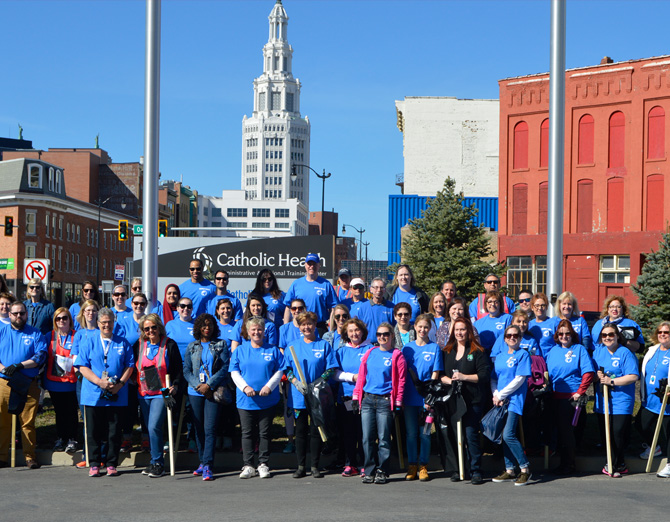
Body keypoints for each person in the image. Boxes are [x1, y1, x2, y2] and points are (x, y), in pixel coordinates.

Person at [75, 308, 134, 477]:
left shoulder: (123, 343)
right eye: (103, 323)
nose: (106, 325)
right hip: (93, 393)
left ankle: (111, 463)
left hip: (116, 393)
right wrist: (99, 381)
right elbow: (82, 366)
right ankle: (94, 463)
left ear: (114, 323)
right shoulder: (89, 341)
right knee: (94, 430)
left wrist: (120, 384)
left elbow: (129, 365)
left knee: (114, 430)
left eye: (109, 322)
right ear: (98, 324)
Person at [284, 311, 338, 478]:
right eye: (303, 324)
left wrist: (317, 383)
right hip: (299, 395)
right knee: (300, 431)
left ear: (315, 325)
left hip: (317, 396)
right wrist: (295, 382)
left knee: (316, 430)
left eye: (310, 324)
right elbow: (287, 369)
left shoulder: (324, 345)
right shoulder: (292, 346)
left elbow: (331, 369)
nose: (306, 327)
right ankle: (300, 466)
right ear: (299, 327)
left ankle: (315, 465)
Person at [352, 322, 407, 484]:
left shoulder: (397, 355)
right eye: (379, 334)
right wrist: (356, 397)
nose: (382, 337)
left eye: (385, 334)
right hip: (368, 399)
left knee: (383, 438)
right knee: (367, 437)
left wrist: (398, 402)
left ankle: (382, 470)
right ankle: (369, 469)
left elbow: (401, 380)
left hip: (385, 401)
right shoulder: (370, 352)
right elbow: (361, 377)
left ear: (391, 336)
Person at [230, 317, 284, 479]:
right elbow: (234, 371)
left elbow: (280, 370)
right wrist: (245, 387)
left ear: (264, 331)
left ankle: (263, 464)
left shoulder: (273, 350)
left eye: (259, 329)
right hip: (246, 400)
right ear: (247, 332)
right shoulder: (240, 350)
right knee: (247, 433)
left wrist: (269, 386)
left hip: (267, 399)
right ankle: (248, 465)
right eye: (253, 329)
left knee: (264, 433)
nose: (257, 332)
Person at [440, 317, 490, 485]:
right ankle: (459, 468)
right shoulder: (448, 350)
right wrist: (450, 380)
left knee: (470, 434)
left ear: (469, 331)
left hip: (473, 400)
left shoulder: (477, 350)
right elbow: (441, 375)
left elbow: (484, 375)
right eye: (457, 330)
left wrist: (464, 377)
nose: (459, 333)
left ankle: (476, 470)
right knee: (456, 435)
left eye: (462, 329)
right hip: (453, 400)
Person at [134, 314, 183, 478]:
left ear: (159, 327)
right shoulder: (139, 345)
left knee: (155, 426)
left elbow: (177, 368)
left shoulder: (169, 344)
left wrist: (175, 385)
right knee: (150, 428)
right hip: (144, 393)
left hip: (162, 393)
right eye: (146, 329)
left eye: (153, 327)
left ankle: (158, 463)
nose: (150, 331)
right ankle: (154, 460)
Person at [183, 313, 230, 481]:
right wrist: (199, 386)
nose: (207, 328)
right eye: (203, 325)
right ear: (198, 328)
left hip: (213, 391)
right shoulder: (192, 346)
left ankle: (209, 465)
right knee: (198, 428)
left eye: (210, 325)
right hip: (195, 391)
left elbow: (224, 368)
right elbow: (186, 370)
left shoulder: (221, 344)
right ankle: (202, 462)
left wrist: (208, 385)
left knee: (210, 428)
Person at [0, 301, 47, 469]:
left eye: (21, 313)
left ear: (26, 314)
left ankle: (30, 457)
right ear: (9, 315)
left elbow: (40, 356)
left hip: (28, 382)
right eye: (15, 313)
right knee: (3, 421)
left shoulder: (36, 334)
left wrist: (20, 365)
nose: (18, 316)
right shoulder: (2, 332)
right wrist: (5, 369)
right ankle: (2, 456)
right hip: (5, 382)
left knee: (27, 422)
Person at [545, 319, 594, 475]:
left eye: (567, 333)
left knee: (568, 433)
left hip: (572, 398)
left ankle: (569, 464)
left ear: (572, 334)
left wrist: (580, 392)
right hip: (555, 397)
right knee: (559, 432)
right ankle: (562, 463)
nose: (564, 336)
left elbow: (588, 373)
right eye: (561, 333)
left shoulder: (579, 349)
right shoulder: (552, 351)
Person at [593, 323, 639, 477]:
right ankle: (619, 464)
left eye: (611, 334)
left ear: (617, 336)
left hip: (621, 400)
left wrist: (611, 381)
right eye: (604, 335)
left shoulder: (625, 353)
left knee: (617, 432)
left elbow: (633, 376)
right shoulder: (598, 352)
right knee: (606, 434)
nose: (607, 338)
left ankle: (613, 464)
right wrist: (597, 376)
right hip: (603, 401)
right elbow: (591, 373)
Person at [402, 313, 443, 482]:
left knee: (425, 433)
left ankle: (424, 466)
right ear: (415, 327)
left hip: (426, 398)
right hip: (409, 397)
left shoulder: (435, 348)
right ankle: (412, 465)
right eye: (420, 326)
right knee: (411, 434)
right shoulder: (407, 348)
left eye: (426, 327)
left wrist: (430, 397)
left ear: (430, 329)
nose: (423, 330)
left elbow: (435, 372)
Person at [491, 324, 532, 486]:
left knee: (509, 434)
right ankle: (509, 470)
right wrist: (495, 394)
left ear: (520, 338)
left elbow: (520, 378)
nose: (512, 338)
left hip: (514, 400)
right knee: (503, 436)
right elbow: (494, 378)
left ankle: (525, 468)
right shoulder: (500, 356)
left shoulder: (523, 355)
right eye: (509, 336)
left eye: (515, 335)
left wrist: (502, 394)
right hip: (500, 400)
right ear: (505, 338)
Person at [334, 318, 371, 477]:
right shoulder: (341, 351)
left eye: (357, 330)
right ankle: (350, 464)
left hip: (366, 396)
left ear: (362, 331)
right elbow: (335, 374)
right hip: (346, 397)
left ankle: (365, 463)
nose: (354, 333)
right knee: (348, 432)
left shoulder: (371, 349)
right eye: (351, 331)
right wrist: (352, 377)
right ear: (346, 334)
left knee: (364, 432)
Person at [43, 308, 79, 454]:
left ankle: (72, 438)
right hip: (54, 382)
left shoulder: (77, 336)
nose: (61, 321)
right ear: (54, 321)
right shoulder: (49, 336)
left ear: (70, 320)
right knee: (59, 411)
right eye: (58, 319)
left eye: (64, 318)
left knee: (71, 411)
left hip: (71, 382)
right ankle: (61, 437)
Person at [639, 321, 670, 477]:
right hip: (650, 400)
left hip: (666, 402)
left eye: (666, 332)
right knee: (641, 424)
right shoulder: (652, 350)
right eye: (660, 332)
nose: (662, 335)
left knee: (669, 433)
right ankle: (654, 447)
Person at [283, 253, 338, 335]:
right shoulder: (296, 284)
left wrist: (331, 329)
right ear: (305, 265)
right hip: (300, 326)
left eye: (314, 264)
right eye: (309, 264)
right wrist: (286, 328)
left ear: (319, 265)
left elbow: (333, 308)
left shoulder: (326, 284)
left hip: (319, 326)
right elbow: (288, 307)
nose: (311, 266)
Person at [355, 277, 395, 343]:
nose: (379, 290)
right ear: (371, 289)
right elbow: (359, 328)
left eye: (381, 288)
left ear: (385, 290)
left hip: (386, 346)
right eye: (376, 287)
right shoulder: (363, 307)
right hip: (368, 346)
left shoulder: (391, 307)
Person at [528, 292, 555, 357]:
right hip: (534, 362)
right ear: (532, 307)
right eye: (537, 305)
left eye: (542, 305)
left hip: (549, 361)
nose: (539, 308)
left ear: (547, 307)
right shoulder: (529, 325)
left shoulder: (553, 323)